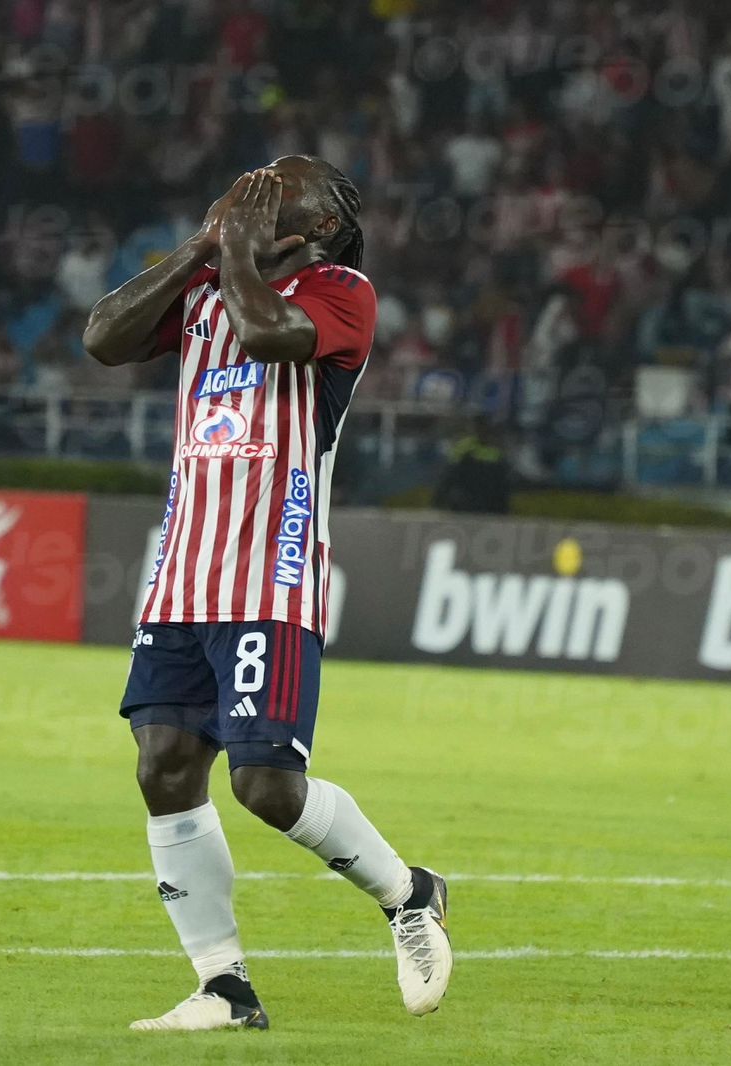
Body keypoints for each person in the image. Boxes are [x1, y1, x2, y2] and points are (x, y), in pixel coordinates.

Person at [83, 158, 452, 1032]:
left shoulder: (341, 292)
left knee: (266, 785)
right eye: (250, 182)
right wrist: (196, 251)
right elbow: (103, 337)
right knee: (164, 766)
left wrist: (235, 255)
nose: (255, 189)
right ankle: (224, 987)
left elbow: (265, 335)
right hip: (183, 573)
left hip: (270, 575)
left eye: (279, 187)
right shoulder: (205, 284)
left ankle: (409, 892)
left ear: (322, 225)